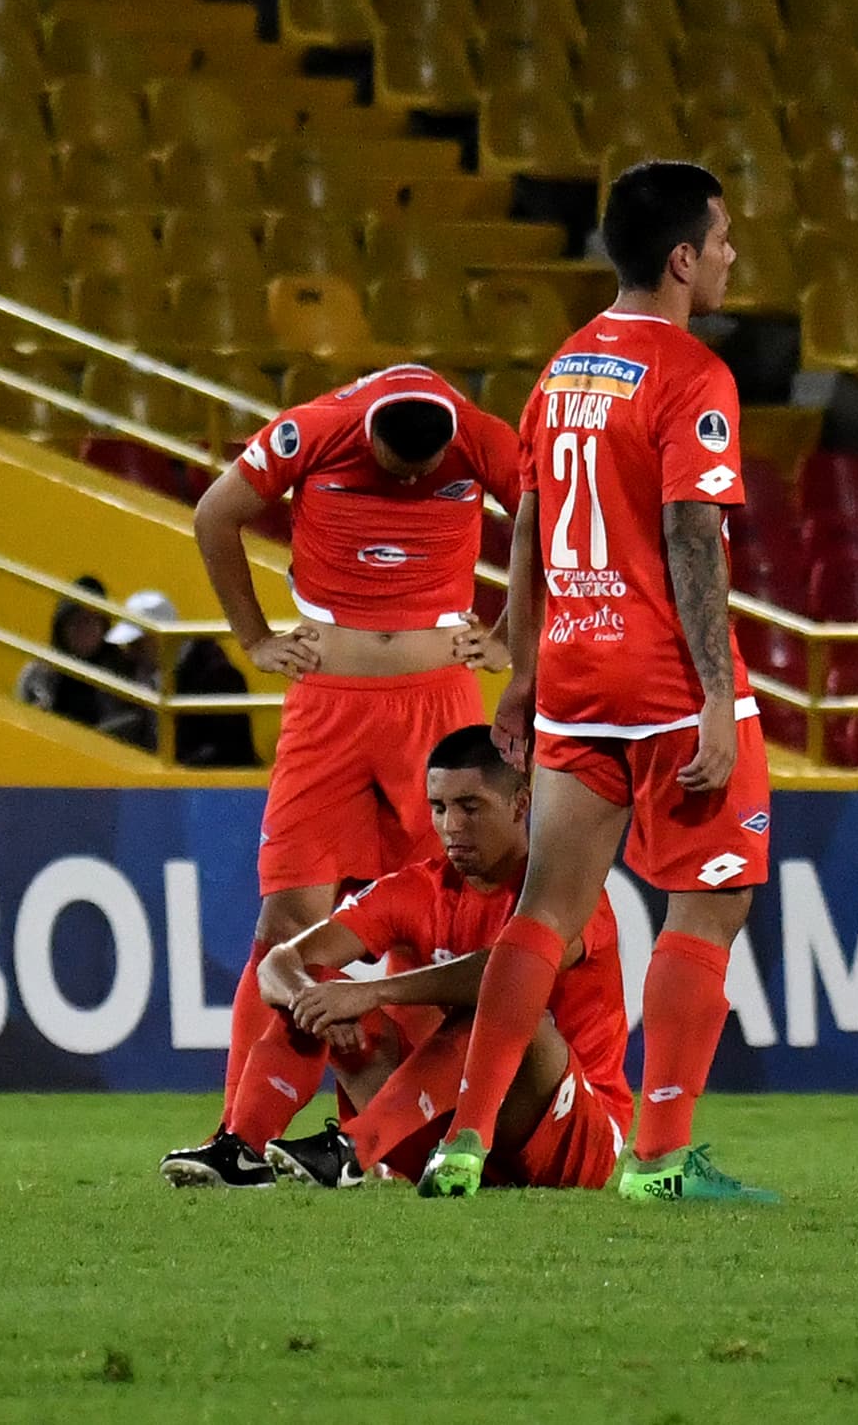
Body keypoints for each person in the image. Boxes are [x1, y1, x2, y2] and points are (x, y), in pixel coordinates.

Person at [418, 161, 779, 1204]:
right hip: (664, 678)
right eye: (721, 238)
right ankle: (658, 1159)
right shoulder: (691, 374)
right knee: (708, 906)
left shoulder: (564, 366)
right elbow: (691, 537)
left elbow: (528, 522)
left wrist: (522, 667)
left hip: (576, 675)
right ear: (681, 258)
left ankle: (464, 1141)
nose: (730, 254)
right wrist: (714, 696)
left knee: (543, 909)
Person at [158, 365, 521, 1177]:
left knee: (435, 924)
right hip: (328, 707)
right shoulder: (314, 429)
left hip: (438, 702)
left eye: (427, 474)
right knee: (290, 920)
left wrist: (511, 635)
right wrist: (254, 638)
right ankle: (237, 1134)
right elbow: (215, 514)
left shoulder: (481, 436)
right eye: (396, 470)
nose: (412, 483)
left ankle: (397, 1141)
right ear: (367, 437)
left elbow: (549, 517)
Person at [159, 725, 630, 1191]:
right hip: (445, 1127)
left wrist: (371, 993)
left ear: (521, 805)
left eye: (470, 807)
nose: (451, 826)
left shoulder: (563, 898)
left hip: (573, 1138)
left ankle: (353, 1149)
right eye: (439, 808)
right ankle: (243, 1149)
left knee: (501, 1009)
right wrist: (309, 998)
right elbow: (278, 964)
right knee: (317, 986)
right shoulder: (418, 888)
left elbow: (507, 977)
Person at [103, 587, 257, 767]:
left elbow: (226, 749)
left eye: (138, 644)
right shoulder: (139, 673)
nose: (131, 653)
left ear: (161, 638)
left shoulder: (218, 677)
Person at [15, 574, 124, 728]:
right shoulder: (38, 674)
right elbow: (21, 722)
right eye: (77, 621)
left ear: (104, 628)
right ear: (62, 627)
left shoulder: (122, 676)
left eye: (92, 621)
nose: (85, 629)